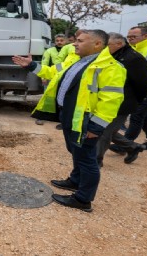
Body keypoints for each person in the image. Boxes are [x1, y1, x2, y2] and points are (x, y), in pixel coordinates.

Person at [13, 29, 126, 212]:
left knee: (87, 158)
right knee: (75, 150)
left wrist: (96, 127)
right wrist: (31, 66)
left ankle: (83, 199)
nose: (74, 43)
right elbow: (51, 72)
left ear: (97, 44)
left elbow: (111, 101)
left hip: (86, 121)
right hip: (70, 115)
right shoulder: (74, 59)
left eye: (80, 41)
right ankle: (75, 181)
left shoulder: (111, 68)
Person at [97, 33, 147, 166]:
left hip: (124, 102)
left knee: (104, 131)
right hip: (110, 100)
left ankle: (95, 160)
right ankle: (133, 147)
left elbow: (144, 84)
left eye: (107, 44)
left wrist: (135, 101)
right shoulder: (113, 55)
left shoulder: (134, 58)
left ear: (119, 44)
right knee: (109, 130)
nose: (105, 47)